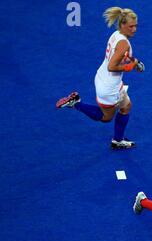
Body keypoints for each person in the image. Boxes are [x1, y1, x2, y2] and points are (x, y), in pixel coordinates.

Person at [56, 7, 145, 149]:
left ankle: (117, 140)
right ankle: (76, 103)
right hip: (109, 86)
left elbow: (124, 56)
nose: (134, 29)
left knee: (126, 106)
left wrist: (136, 62)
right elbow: (112, 66)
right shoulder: (124, 43)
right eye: (131, 26)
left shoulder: (116, 35)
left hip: (106, 78)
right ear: (122, 25)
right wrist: (128, 67)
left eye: (136, 26)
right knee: (106, 118)